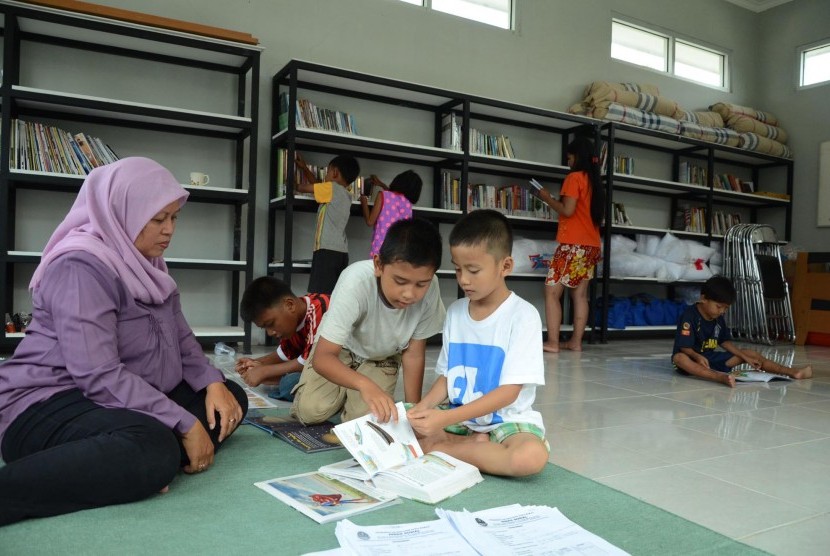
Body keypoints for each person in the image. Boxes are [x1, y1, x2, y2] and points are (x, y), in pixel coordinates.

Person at [0, 158, 247, 526]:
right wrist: (183, 423)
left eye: (174, 217)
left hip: (122, 397)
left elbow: (183, 341)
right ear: (122, 213)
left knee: (229, 397)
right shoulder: (80, 266)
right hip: (47, 402)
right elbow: (96, 374)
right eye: (157, 219)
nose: (169, 231)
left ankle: (117, 468)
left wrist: (212, 383)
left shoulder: (149, 263)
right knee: (152, 447)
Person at [408, 209, 548, 477]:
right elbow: (447, 377)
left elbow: (509, 393)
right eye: (458, 269)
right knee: (399, 425)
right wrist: (423, 408)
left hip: (505, 422)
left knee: (529, 458)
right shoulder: (456, 312)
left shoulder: (523, 315)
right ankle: (467, 445)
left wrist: (444, 419)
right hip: (460, 419)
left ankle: (444, 450)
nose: (463, 280)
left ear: (505, 266)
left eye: (473, 270)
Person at [290, 218, 446, 425]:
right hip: (341, 351)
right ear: (378, 265)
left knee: (369, 421)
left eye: (421, 284)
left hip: (382, 357)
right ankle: (309, 382)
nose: (409, 294)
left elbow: (414, 354)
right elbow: (324, 357)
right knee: (310, 412)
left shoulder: (432, 288)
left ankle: (348, 389)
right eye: (400, 281)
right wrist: (365, 384)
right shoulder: (355, 281)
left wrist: (413, 409)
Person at [672, 275, 812, 387]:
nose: (722, 311)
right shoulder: (689, 316)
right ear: (703, 299)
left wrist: (746, 358)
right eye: (719, 306)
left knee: (751, 354)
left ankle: (792, 372)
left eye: (725, 308)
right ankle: (719, 377)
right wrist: (697, 357)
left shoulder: (717, 318)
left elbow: (724, 342)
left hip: (711, 360)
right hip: (691, 360)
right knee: (679, 358)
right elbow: (684, 347)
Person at [535, 136, 605, 352]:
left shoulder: (574, 178)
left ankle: (554, 342)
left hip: (572, 245)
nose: (568, 162)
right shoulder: (594, 181)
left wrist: (547, 198)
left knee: (551, 291)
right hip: (591, 245)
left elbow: (567, 210)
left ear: (578, 157)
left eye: (569, 157)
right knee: (580, 295)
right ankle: (575, 342)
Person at [236, 277, 329, 401]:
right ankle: (278, 378)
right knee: (290, 380)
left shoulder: (319, 309)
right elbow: (284, 353)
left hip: (348, 367)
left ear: (289, 305)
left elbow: (310, 362)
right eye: (264, 328)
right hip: (319, 367)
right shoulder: (293, 320)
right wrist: (254, 363)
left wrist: (265, 371)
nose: (270, 332)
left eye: (271, 323)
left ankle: (278, 379)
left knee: (290, 383)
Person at [295, 153, 360, 295]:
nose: (327, 175)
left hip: (327, 252)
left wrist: (288, 181)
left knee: (319, 294)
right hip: (341, 253)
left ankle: (320, 317)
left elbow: (302, 188)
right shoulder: (344, 194)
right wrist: (305, 169)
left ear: (335, 172)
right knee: (333, 294)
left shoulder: (332, 188)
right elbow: (318, 186)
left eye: (328, 171)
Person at [360, 170, 422, 257]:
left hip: (381, 250)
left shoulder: (383, 195)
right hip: (401, 251)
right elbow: (394, 197)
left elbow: (370, 221)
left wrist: (364, 202)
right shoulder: (408, 204)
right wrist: (381, 184)